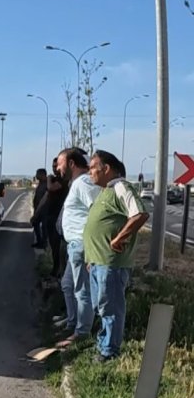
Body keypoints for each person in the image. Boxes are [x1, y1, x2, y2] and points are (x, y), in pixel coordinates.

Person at [83, 150, 149, 363]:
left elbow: (139, 214)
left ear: (107, 169)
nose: (90, 171)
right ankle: (103, 344)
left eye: (93, 167)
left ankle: (110, 351)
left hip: (111, 263)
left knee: (110, 307)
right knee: (101, 306)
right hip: (97, 262)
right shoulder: (104, 191)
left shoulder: (121, 187)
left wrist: (119, 238)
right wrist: (90, 258)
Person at [53, 147, 102, 346]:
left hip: (82, 244)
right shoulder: (78, 183)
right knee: (68, 285)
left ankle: (81, 333)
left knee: (82, 291)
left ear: (71, 163)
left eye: (60, 163)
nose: (57, 167)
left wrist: (91, 248)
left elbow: (97, 212)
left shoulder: (83, 183)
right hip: (75, 244)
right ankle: (73, 321)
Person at [30, 168, 48, 248]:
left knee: (44, 227)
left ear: (42, 175)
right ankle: (39, 241)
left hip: (44, 209)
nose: (36, 176)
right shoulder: (40, 184)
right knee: (35, 224)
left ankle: (44, 243)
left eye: (38, 174)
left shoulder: (47, 184)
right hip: (37, 208)